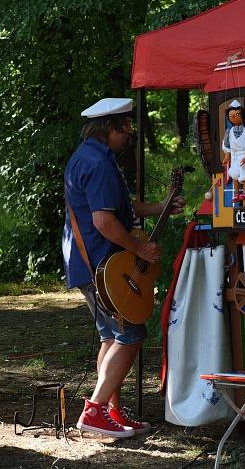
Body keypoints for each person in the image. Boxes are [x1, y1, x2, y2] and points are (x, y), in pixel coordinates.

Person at [62, 97, 184, 438]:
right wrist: (140, 248)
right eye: (125, 128)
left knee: (110, 336)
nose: (129, 134)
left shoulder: (87, 156)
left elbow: (120, 209)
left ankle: (110, 413)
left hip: (92, 264)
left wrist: (160, 206)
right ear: (108, 128)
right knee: (130, 335)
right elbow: (103, 221)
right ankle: (95, 412)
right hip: (105, 264)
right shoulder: (99, 165)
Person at [221, 99, 245, 203]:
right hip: (235, 156)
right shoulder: (229, 132)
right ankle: (236, 194)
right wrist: (227, 156)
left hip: (243, 155)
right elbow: (226, 145)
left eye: (236, 114)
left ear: (242, 115)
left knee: (244, 175)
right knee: (234, 174)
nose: (234, 117)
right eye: (231, 115)